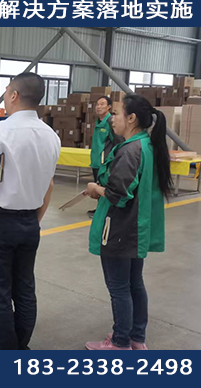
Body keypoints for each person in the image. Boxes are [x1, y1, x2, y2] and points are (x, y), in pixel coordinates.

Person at [0, 72, 60, 350]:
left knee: (0, 294)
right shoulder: (51, 136)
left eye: (6, 91)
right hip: (30, 223)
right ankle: (20, 346)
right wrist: (34, 220)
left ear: (14, 95)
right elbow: (49, 185)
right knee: (25, 289)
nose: (5, 96)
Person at [84, 95, 171, 351]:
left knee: (119, 287)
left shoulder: (130, 150)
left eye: (117, 113)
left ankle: (120, 342)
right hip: (136, 227)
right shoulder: (146, 145)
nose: (112, 118)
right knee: (134, 283)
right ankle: (136, 336)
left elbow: (118, 195)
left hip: (120, 229)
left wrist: (96, 189)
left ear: (131, 118)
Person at [88, 96, 123, 219]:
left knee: (105, 187)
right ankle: (100, 209)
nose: (98, 107)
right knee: (98, 187)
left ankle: (107, 211)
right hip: (96, 161)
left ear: (109, 107)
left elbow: (118, 142)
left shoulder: (110, 122)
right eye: (97, 104)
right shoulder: (98, 122)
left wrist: (113, 161)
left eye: (102, 104)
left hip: (105, 163)